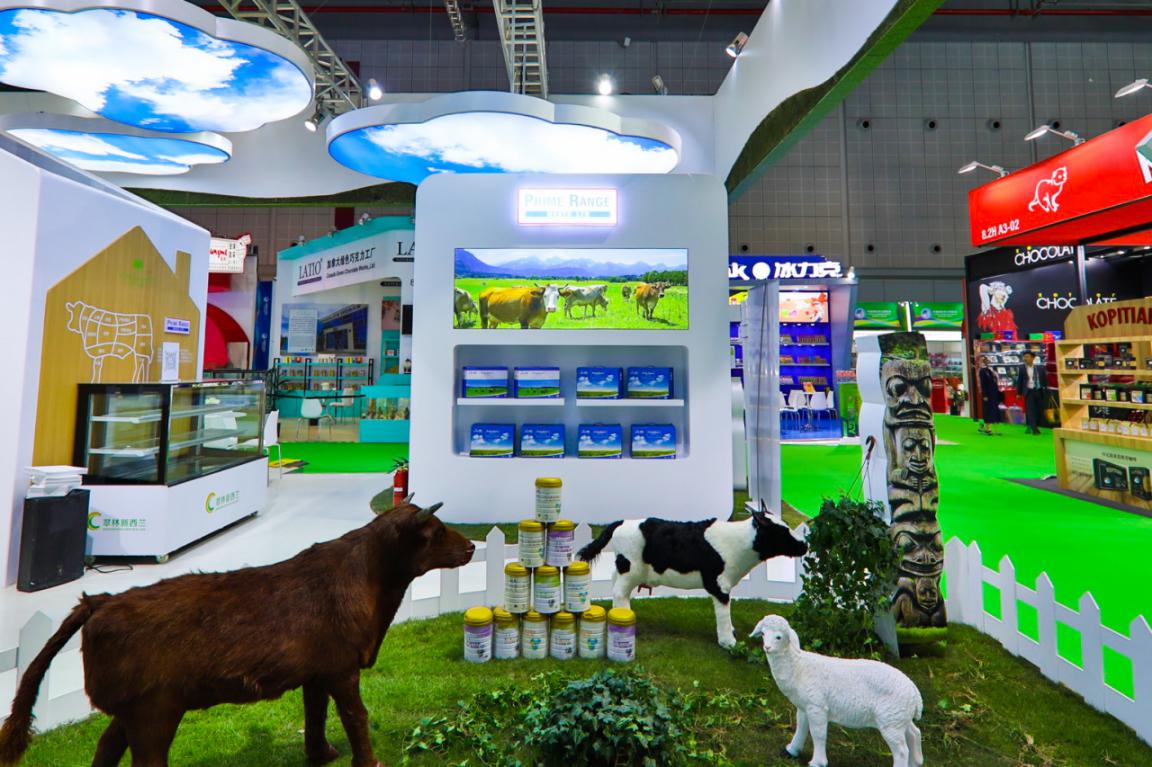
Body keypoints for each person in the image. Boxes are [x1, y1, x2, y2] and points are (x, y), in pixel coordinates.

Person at [1016, 350, 1046, 435]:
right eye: (1024, 357)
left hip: (1039, 391)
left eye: (1027, 357)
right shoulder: (1022, 369)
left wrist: (1046, 390)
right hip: (1029, 391)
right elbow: (1019, 381)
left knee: (1039, 410)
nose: (1025, 358)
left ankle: (1032, 425)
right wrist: (1019, 393)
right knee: (1030, 410)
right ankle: (1034, 428)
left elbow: (1044, 380)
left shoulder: (1040, 368)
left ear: (1033, 358)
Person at [976, 357, 1002, 435]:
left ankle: (989, 427)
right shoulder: (982, 371)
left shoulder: (990, 370)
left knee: (993, 410)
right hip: (987, 394)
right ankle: (987, 428)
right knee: (987, 410)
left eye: (987, 360)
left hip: (994, 393)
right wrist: (985, 395)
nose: (987, 361)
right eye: (985, 360)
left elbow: (995, 381)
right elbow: (983, 384)